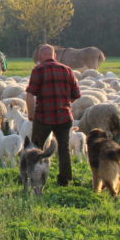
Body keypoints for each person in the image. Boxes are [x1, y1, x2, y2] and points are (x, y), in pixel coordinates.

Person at [25, 44, 81, 187]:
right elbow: (76, 95)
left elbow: (30, 94)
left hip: (44, 117)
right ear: (54, 55)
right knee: (64, 148)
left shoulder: (38, 70)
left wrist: (31, 114)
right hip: (64, 117)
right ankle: (65, 179)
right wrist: (64, 104)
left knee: (35, 147)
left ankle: (32, 177)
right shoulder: (67, 70)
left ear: (40, 57)